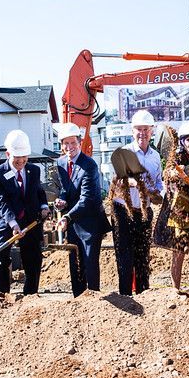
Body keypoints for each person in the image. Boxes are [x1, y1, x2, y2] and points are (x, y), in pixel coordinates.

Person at [0, 130, 49, 294]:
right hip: (5, 217)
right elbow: (0, 202)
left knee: (33, 255)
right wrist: (13, 223)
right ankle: (2, 293)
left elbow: (38, 191)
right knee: (0, 251)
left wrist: (43, 206)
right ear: (8, 154)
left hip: (30, 218)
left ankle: (31, 293)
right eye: (17, 158)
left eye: (25, 157)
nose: (21, 161)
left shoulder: (34, 170)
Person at [55, 123, 112, 297]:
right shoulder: (61, 162)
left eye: (73, 143)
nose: (69, 147)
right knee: (75, 262)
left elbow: (87, 199)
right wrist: (62, 200)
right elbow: (66, 189)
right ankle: (78, 299)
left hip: (90, 222)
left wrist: (67, 217)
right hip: (72, 223)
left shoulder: (89, 165)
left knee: (89, 262)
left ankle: (94, 297)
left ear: (79, 142)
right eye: (66, 143)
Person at [111, 110, 164, 296]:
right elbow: (118, 179)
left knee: (143, 254)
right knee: (125, 255)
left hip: (144, 210)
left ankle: (144, 293)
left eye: (146, 129)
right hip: (123, 211)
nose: (142, 133)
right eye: (138, 129)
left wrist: (160, 192)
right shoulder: (124, 153)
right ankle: (126, 295)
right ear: (132, 131)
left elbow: (158, 182)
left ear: (152, 131)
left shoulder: (155, 157)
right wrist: (133, 182)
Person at [153, 121, 189, 292]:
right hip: (180, 208)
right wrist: (173, 174)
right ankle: (175, 290)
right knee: (179, 249)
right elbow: (168, 173)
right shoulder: (176, 158)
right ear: (182, 143)